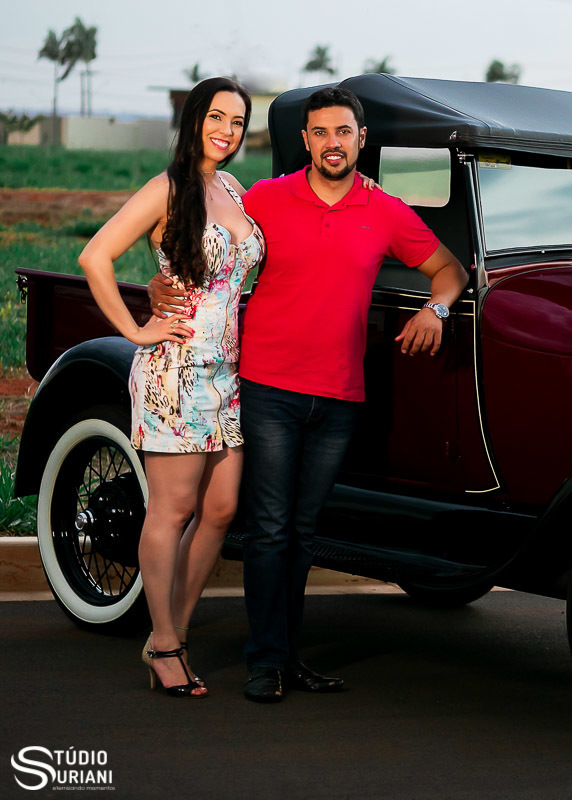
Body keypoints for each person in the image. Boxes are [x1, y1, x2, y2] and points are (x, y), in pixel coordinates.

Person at [149, 86, 469, 702]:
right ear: (305, 141)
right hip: (268, 385)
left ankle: (288, 657)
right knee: (268, 526)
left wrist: (436, 309)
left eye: (343, 132)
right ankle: (264, 663)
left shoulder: (385, 210)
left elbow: (450, 270)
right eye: (320, 133)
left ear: (360, 138)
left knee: (302, 529)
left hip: (340, 395)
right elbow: (186, 239)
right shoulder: (264, 198)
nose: (332, 143)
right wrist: (156, 288)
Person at [79, 77, 260, 698]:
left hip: (226, 374)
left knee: (221, 509)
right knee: (172, 510)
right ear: (193, 119)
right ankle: (165, 644)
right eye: (217, 117)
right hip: (176, 370)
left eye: (237, 121)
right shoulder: (168, 188)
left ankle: (170, 635)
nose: (227, 131)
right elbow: (95, 256)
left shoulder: (232, 188)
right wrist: (136, 326)